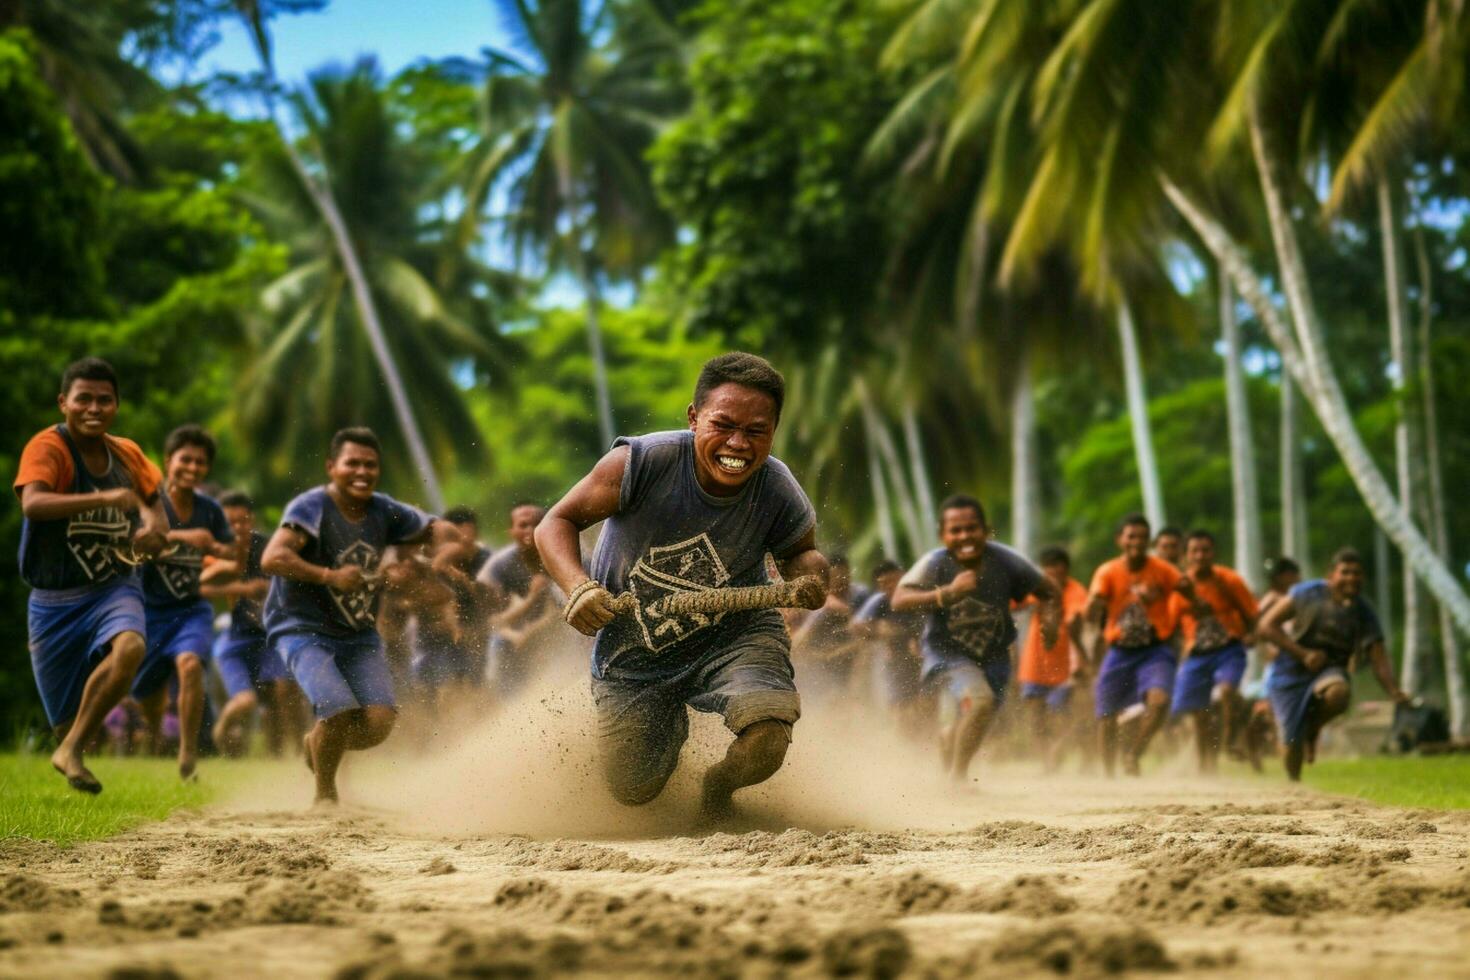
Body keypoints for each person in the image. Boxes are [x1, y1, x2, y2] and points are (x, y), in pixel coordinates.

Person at [535, 352, 827, 821]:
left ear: (773, 430)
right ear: (694, 418)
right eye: (723, 425)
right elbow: (555, 523)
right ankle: (666, 728)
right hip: (632, 651)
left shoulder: (778, 487)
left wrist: (810, 577)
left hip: (736, 636)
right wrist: (579, 588)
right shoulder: (640, 462)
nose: (738, 444)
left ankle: (717, 788)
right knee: (634, 788)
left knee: (768, 734)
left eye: (756, 431)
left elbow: (801, 553)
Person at [261, 427, 455, 804]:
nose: (362, 472)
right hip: (300, 627)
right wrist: (329, 576)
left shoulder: (384, 509)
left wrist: (419, 562)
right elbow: (273, 557)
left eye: (370, 465)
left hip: (357, 632)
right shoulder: (310, 507)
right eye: (352, 463)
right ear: (332, 467)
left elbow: (439, 530)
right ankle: (325, 796)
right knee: (336, 710)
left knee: (379, 724)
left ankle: (315, 742)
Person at [15, 358, 170, 793]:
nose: (94, 408)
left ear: (117, 405)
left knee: (131, 647)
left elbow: (157, 514)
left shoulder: (128, 454)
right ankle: (73, 741)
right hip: (52, 601)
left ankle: (71, 750)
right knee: (67, 722)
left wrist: (153, 532)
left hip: (113, 587)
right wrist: (105, 497)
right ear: (64, 402)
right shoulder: (48, 448)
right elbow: (33, 504)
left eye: (105, 400)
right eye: (84, 399)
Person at [891, 495, 1060, 785]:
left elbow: (1050, 590)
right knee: (981, 702)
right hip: (947, 654)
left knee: (976, 716)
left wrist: (1050, 620)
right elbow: (899, 599)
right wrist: (946, 594)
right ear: (943, 535)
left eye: (972, 528)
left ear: (986, 530)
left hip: (995, 656)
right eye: (955, 531)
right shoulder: (934, 563)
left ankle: (951, 760)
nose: (964, 536)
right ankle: (957, 780)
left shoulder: (1006, 560)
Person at [132, 425, 235, 779]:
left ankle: (189, 748)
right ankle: (155, 730)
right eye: (186, 460)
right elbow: (133, 543)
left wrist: (214, 548)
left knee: (190, 665)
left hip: (192, 609)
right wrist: (187, 536)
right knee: (145, 690)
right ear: (167, 461)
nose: (193, 468)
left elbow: (230, 554)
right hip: (148, 612)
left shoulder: (210, 510)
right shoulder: (148, 502)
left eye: (201, 462)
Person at [1257, 548, 1408, 781]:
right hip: (1289, 669)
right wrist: (1302, 653)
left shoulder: (1364, 612)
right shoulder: (1305, 593)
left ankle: (1311, 728)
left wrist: (1393, 690)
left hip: (1329, 668)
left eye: (1356, 573)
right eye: (1345, 572)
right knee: (1290, 746)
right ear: (1331, 576)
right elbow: (1266, 626)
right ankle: (1294, 784)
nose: (1351, 578)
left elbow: (1378, 656)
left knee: (1340, 693)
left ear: (1363, 578)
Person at [1086, 513, 1194, 776]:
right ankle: (1107, 773)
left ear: (1149, 542)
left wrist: (1185, 592)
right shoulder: (1108, 571)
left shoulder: (1162, 569)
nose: (1137, 541)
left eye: (1143, 537)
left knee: (1160, 702)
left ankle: (1133, 754)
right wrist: (1096, 606)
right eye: (1131, 536)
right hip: (1120, 649)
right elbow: (1092, 609)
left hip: (1156, 649)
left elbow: (1186, 586)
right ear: (1120, 540)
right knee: (1106, 714)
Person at [205, 491, 301, 757]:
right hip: (236, 637)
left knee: (284, 690)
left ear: (253, 521)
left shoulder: (269, 549)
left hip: (272, 636)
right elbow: (199, 587)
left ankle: (291, 752)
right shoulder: (218, 552)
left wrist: (269, 589)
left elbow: (293, 583)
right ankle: (222, 728)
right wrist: (244, 589)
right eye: (230, 522)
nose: (238, 528)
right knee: (246, 701)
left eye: (243, 521)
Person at [1168, 530, 1259, 774]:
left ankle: (1229, 741)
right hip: (1196, 653)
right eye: (1194, 551)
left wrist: (1252, 635)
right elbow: (1170, 625)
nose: (1200, 556)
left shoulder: (1229, 580)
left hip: (1229, 649)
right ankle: (1206, 765)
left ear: (1213, 553)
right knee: (1199, 714)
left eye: (1205, 550)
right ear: (1185, 556)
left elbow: (1253, 614)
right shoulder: (1180, 588)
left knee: (1227, 689)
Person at [1015, 546, 1089, 771]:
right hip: (1034, 660)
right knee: (1035, 713)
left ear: (1065, 569)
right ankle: (1046, 762)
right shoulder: (1037, 588)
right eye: (1047, 568)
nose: (1052, 573)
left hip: (1064, 662)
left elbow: (1076, 613)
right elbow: (1016, 602)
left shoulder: (1076, 590)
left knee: (1060, 713)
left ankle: (1059, 751)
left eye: (1057, 567)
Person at [485, 502, 563, 698]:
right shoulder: (499, 566)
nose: (530, 530)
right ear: (511, 531)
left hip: (559, 629)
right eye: (523, 525)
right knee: (498, 644)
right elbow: (494, 620)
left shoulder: (562, 549)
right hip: (516, 634)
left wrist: (531, 631)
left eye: (536, 523)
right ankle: (510, 706)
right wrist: (531, 598)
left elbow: (562, 610)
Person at [852, 559, 926, 735]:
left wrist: (916, 639)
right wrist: (879, 630)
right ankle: (902, 746)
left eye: (894, 580)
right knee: (899, 706)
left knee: (924, 704)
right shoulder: (881, 602)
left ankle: (924, 742)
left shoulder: (920, 595)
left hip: (924, 658)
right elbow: (857, 625)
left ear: (904, 577)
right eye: (884, 583)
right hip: (896, 660)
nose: (890, 586)